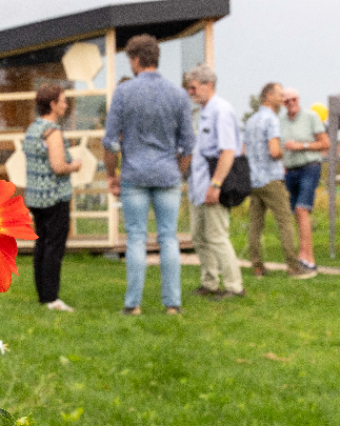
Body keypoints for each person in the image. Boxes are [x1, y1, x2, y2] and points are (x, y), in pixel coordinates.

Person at [103, 34, 195, 316]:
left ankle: (133, 304)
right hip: (167, 173)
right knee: (169, 238)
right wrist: (177, 172)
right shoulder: (178, 95)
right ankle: (172, 304)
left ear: (136, 60)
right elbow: (188, 144)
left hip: (134, 174)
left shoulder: (124, 92)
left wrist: (111, 174)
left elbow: (110, 142)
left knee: (136, 239)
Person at [243, 82, 316, 279]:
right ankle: (293, 266)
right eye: (279, 95)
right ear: (268, 96)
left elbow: (243, 151)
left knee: (255, 225)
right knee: (284, 221)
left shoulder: (250, 121)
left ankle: (257, 266)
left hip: (253, 179)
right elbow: (274, 151)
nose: (282, 98)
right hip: (271, 179)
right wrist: (286, 152)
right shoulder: (272, 120)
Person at [184, 64, 244, 299]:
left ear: (209, 85)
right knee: (199, 236)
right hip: (198, 185)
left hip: (213, 185)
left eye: (194, 87)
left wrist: (216, 184)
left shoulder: (222, 111)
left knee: (217, 237)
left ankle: (234, 286)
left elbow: (228, 151)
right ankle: (209, 282)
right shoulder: (204, 112)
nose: (191, 92)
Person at [23, 84, 82, 311]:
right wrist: (74, 166)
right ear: (53, 104)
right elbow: (58, 167)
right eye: (63, 100)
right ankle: (52, 298)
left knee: (41, 244)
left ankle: (43, 294)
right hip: (54, 197)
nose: (66, 104)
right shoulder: (53, 131)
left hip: (36, 197)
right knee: (54, 248)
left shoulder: (33, 129)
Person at [280, 88, 330, 271]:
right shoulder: (281, 121)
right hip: (290, 170)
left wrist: (302, 146)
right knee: (297, 212)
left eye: (293, 99)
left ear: (298, 99)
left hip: (310, 167)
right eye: (286, 101)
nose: (291, 103)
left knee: (302, 209)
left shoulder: (311, 117)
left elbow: (325, 143)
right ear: (283, 103)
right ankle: (306, 257)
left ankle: (306, 256)